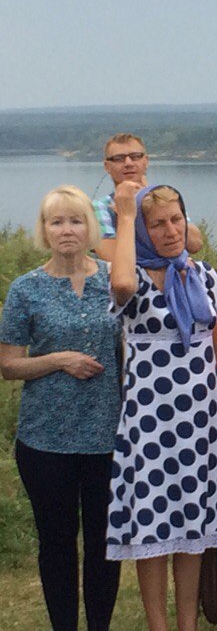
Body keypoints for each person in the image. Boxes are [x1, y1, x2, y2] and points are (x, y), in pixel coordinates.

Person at [105, 182, 217, 631]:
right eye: (157, 224)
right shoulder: (133, 280)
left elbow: (216, 346)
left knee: (193, 526)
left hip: (200, 421)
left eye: (176, 219)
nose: (170, 230)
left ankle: (187, 624)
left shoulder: (203, 276)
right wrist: (125, 215)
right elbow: (121, 282)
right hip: (151, 424)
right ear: (143, 231)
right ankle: (158, 625)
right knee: (153, 525)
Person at [0, 185, 122, 631]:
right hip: (45, 439)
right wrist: (58, 360)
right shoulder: (25, 289)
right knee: (56, 543)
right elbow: (8, 365)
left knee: (104, 544)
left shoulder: (116, 281)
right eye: (57, 222)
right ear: (44, 230)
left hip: (107, 436)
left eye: (76, 220)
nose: (67, 230)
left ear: (90, 228)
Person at [92, 133, 203, 261]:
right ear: (107, 166)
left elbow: (195, 244)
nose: (128, 163)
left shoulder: (165, 199)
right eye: (118, 158)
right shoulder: (100, 208)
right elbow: (112, 258)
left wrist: (147, 198)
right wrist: (125, 215)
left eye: (135, 157)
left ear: (146, 161)